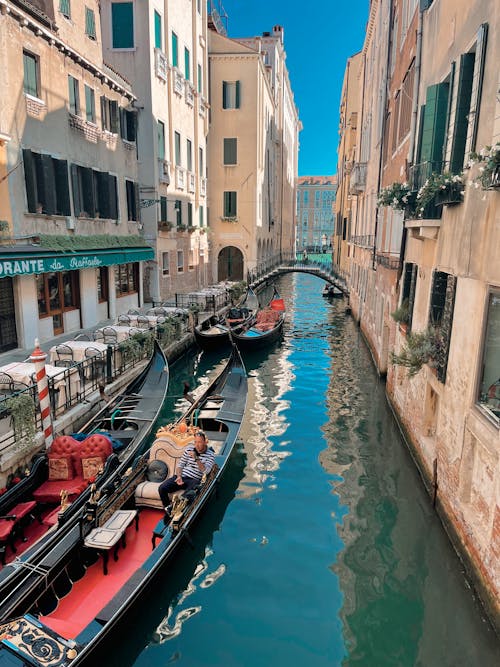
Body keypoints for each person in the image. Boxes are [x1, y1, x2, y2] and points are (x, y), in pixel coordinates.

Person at [158, 431, 215, 509]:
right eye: (195, 442)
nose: (197, 445)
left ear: (205, 442)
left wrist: (196, 458)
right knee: (162, 488)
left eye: (199, 442)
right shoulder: (189, 449)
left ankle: (179, 510)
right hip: (182, 477)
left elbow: (206, 472)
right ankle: (168, 508)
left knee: (186, 496)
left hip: (194, 480)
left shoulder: (210, 455)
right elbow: (180, 465)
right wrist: (179, 476)